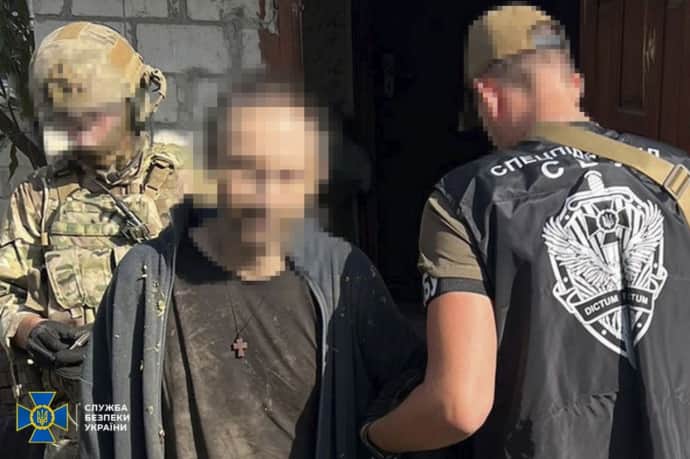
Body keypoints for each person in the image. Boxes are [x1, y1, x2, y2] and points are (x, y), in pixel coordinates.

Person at [360, 4, 690, 459]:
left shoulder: (466, 198)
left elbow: (456, 406)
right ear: (575, 83)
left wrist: (374, 437)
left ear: (488, 96)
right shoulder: (678, 176)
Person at [80, 75, 425, 459]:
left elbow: (407, 378)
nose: (267, 197)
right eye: (247, 171)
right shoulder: (145, 278)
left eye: (287, 175)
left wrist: (372, 438)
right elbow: (102, 412)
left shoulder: (343, 276)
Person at [0, 22, 181, 458]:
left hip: (161, 416)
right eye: (67, 117)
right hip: (56, 419)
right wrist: (29, 330)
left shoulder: (187, 190)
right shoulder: (36, 196)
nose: (80, 129)